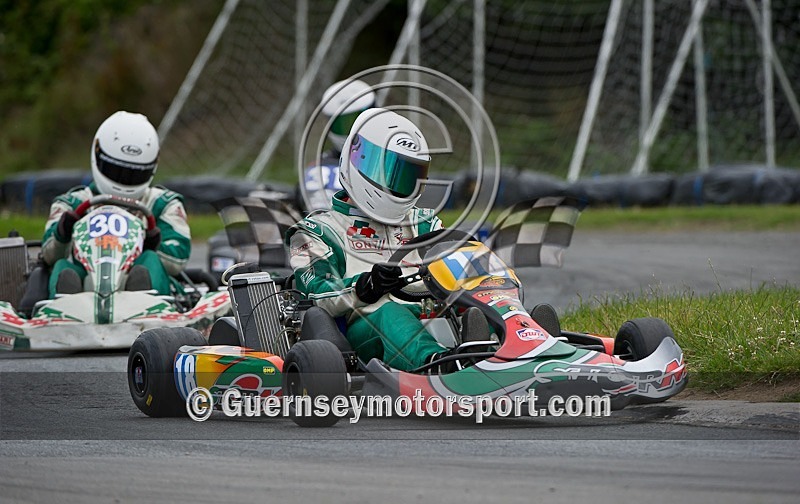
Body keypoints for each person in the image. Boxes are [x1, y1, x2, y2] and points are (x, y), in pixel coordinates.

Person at [287, 107, 459, 372]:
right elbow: (317, 294)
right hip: (368, 330)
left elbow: (456, 268)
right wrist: (364, 286)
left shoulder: (424, 223)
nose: (399, 184)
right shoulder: (316, 230)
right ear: (359, 162)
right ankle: (439, 366)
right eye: (391, 173)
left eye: (408, 176)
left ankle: (524, 345)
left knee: (477, 298)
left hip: (434, 316)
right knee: (390, 312)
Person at [41, 111, 191, 298]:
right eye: (115, 169)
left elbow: (178, 260)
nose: (123, 180)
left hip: (141, 291)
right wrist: (62, 234)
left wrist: (151, 245)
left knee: (150, 261)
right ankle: (62, 308)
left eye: (133, 174)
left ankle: (143, 302)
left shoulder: (162, 203)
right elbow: (48, 255)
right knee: (63, 268)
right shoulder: (72, 203)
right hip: (85, 288)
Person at [299, 79, 376, 212]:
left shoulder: (390, 160)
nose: (351, 130)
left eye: (357, 121)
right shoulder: (318, 167)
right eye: (343, 124)